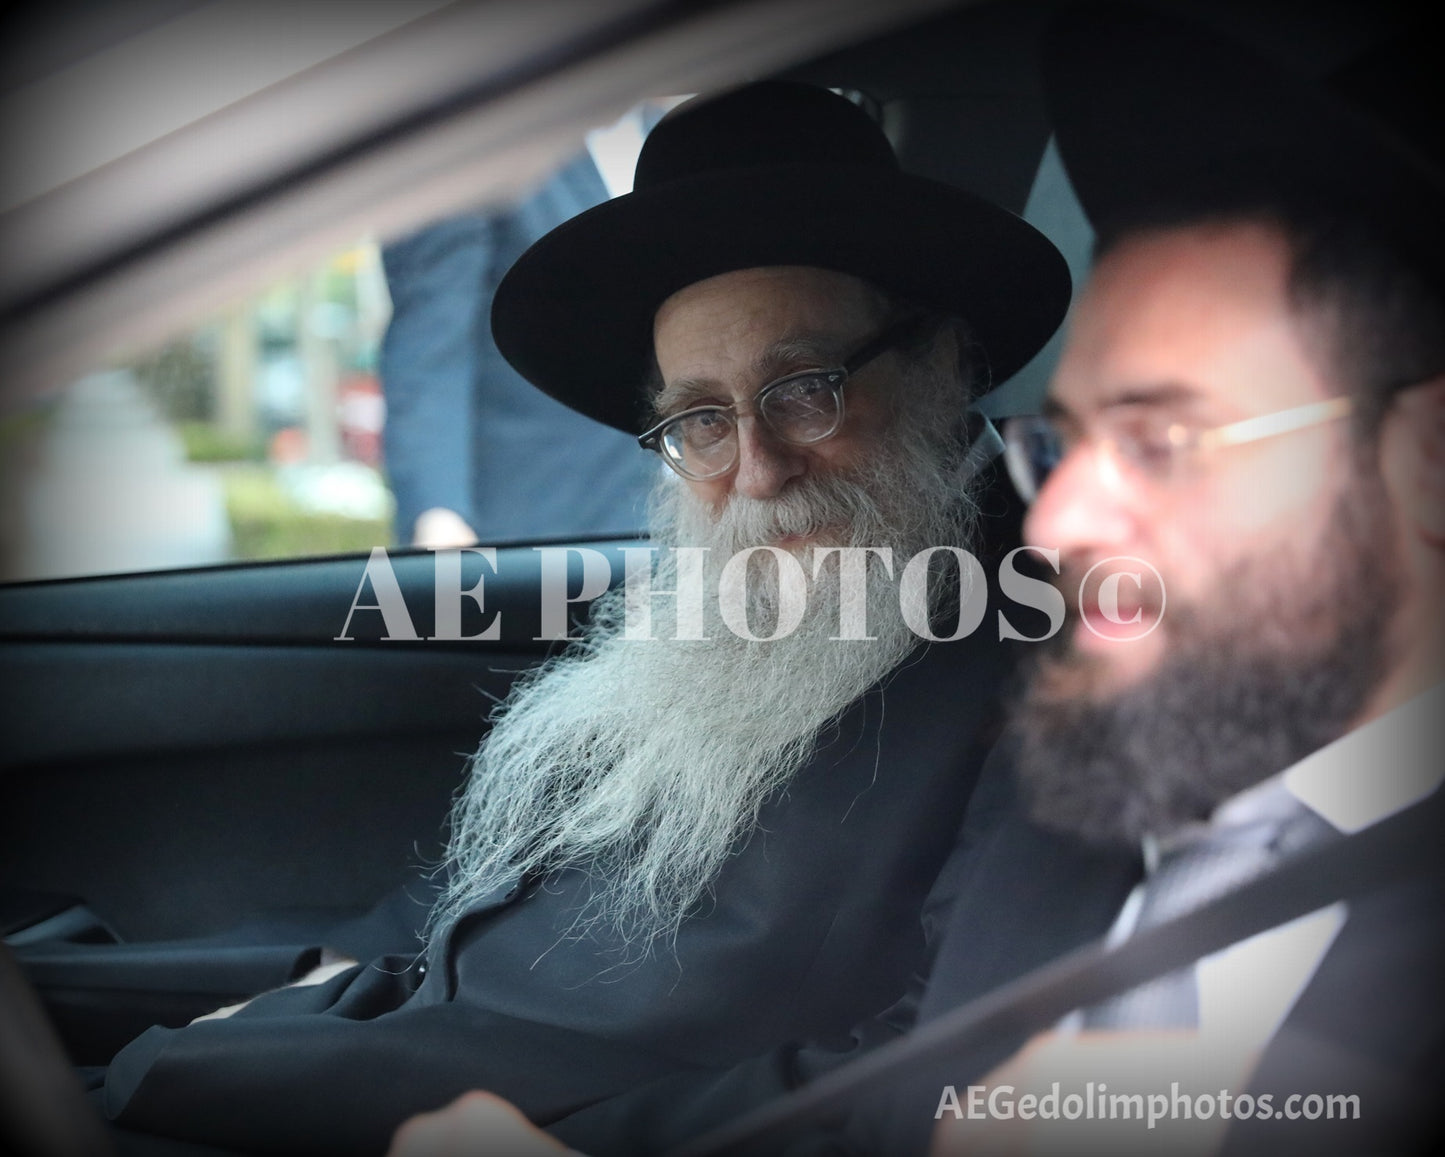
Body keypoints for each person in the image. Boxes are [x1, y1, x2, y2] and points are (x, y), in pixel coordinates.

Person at [387, 4, 1444, 1155]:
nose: (1067, 517)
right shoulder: (1174, 802)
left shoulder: (1085, 719)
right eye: (1065, 441)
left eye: (1158, 438)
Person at [96, 80, 1070, 1155]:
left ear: (936, 362)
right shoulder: (741, 584)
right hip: (389, 1022)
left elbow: (948, 1067)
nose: (753, 469)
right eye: (700, 418)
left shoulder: (1049, 638)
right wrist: (327, 986)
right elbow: (521, 873)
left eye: (804, 389)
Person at [378, 107, 660, 550]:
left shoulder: (677, 133)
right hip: (531, 527)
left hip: (669, 528)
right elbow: (432, 343)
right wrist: (439, 511)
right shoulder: (474, 147)